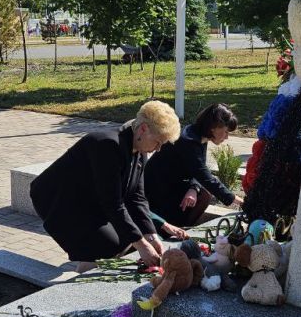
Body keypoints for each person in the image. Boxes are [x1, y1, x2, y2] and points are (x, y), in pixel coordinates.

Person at [30, 101, 181, 272]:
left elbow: (136, 198)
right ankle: (82, 277)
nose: (158, 149)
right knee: (108, 244)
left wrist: (151, 236)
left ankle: (87, 267)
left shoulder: (139, 152)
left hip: (89, 199)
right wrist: (142, 245)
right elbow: (113, 203)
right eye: (158, 142)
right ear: (143, 129)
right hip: (59, 200)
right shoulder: (108, 145)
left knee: (124, 238)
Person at [144, 103, 243, 237]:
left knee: (203, 194)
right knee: (205, 192)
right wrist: (238, 200)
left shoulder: (198, 136)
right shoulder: (188, 141)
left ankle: (181, 229)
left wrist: (194, 188)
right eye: (226, 132)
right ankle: (173, 232)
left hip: (174, 185)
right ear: (214, 127)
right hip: (157, 190)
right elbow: (205, 177)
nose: (227, 137)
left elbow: (198, 169)